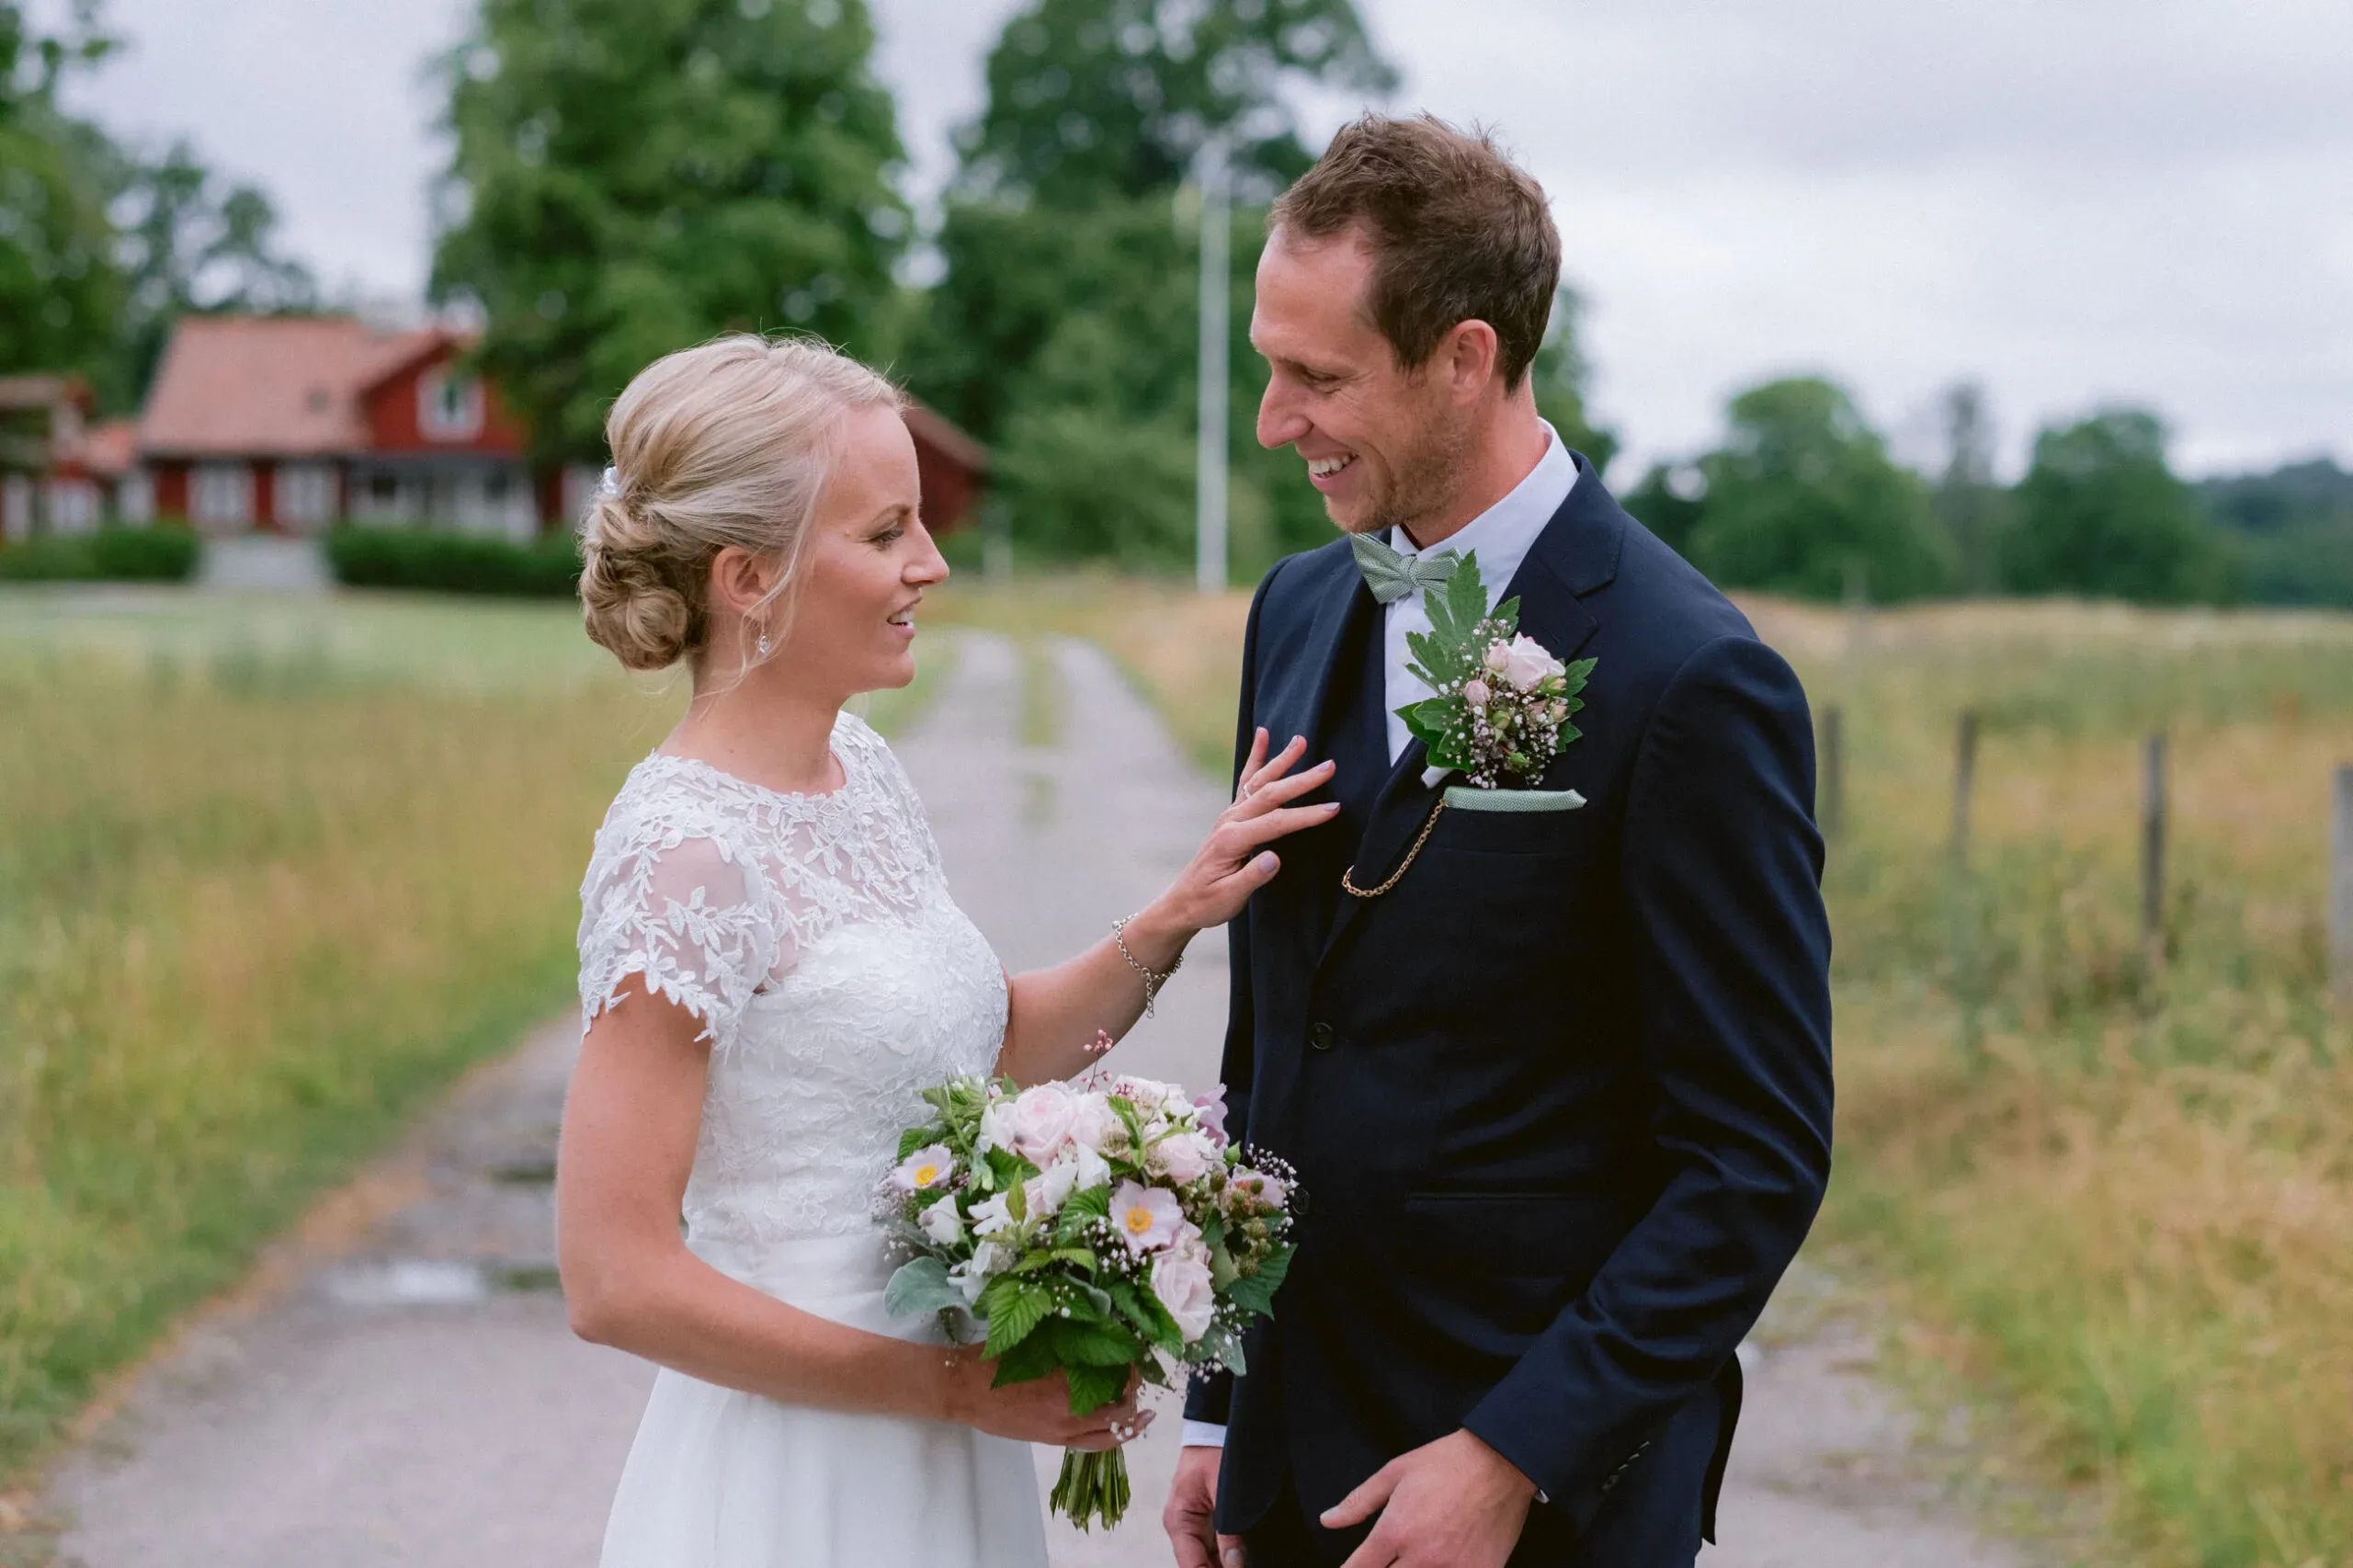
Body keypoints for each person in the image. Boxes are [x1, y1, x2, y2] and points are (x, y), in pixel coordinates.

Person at [1162, 114, 1836, 1568]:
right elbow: (1273, 1040)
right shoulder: (1291, 613)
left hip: (1534, 1506)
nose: (1276, 421)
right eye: (1270, 367)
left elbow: (1753, 1157)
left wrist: (1518, 1447)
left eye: (1317, 376)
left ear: (1465, 358)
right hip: (1288, 1477)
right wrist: (1223, 1401)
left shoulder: (1690, 680)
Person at [556, 335, 1332, 1568]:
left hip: (941, 1450)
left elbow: (976, 1050)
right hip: (795, 1472)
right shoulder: (684, 855)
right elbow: (614, 1275)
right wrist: (954, 1387)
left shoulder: (861, 768)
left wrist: (1178, 913)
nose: (933, 562)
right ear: (750, 576)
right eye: (884, 533)